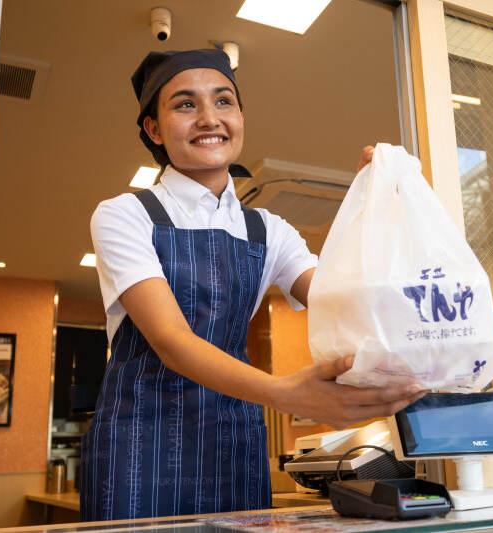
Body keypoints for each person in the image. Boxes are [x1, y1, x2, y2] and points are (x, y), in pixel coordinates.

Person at [80, 49, 424, 522]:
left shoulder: (269, 229)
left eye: (224, 102)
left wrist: (381, 208)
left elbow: (345, 302)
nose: (208, 118)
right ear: (153, 130)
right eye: (185, 105)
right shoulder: (125, 214)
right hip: (141, 441)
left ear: (240, 117)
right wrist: (286, 392)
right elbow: (173, 341)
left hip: (234, 438)